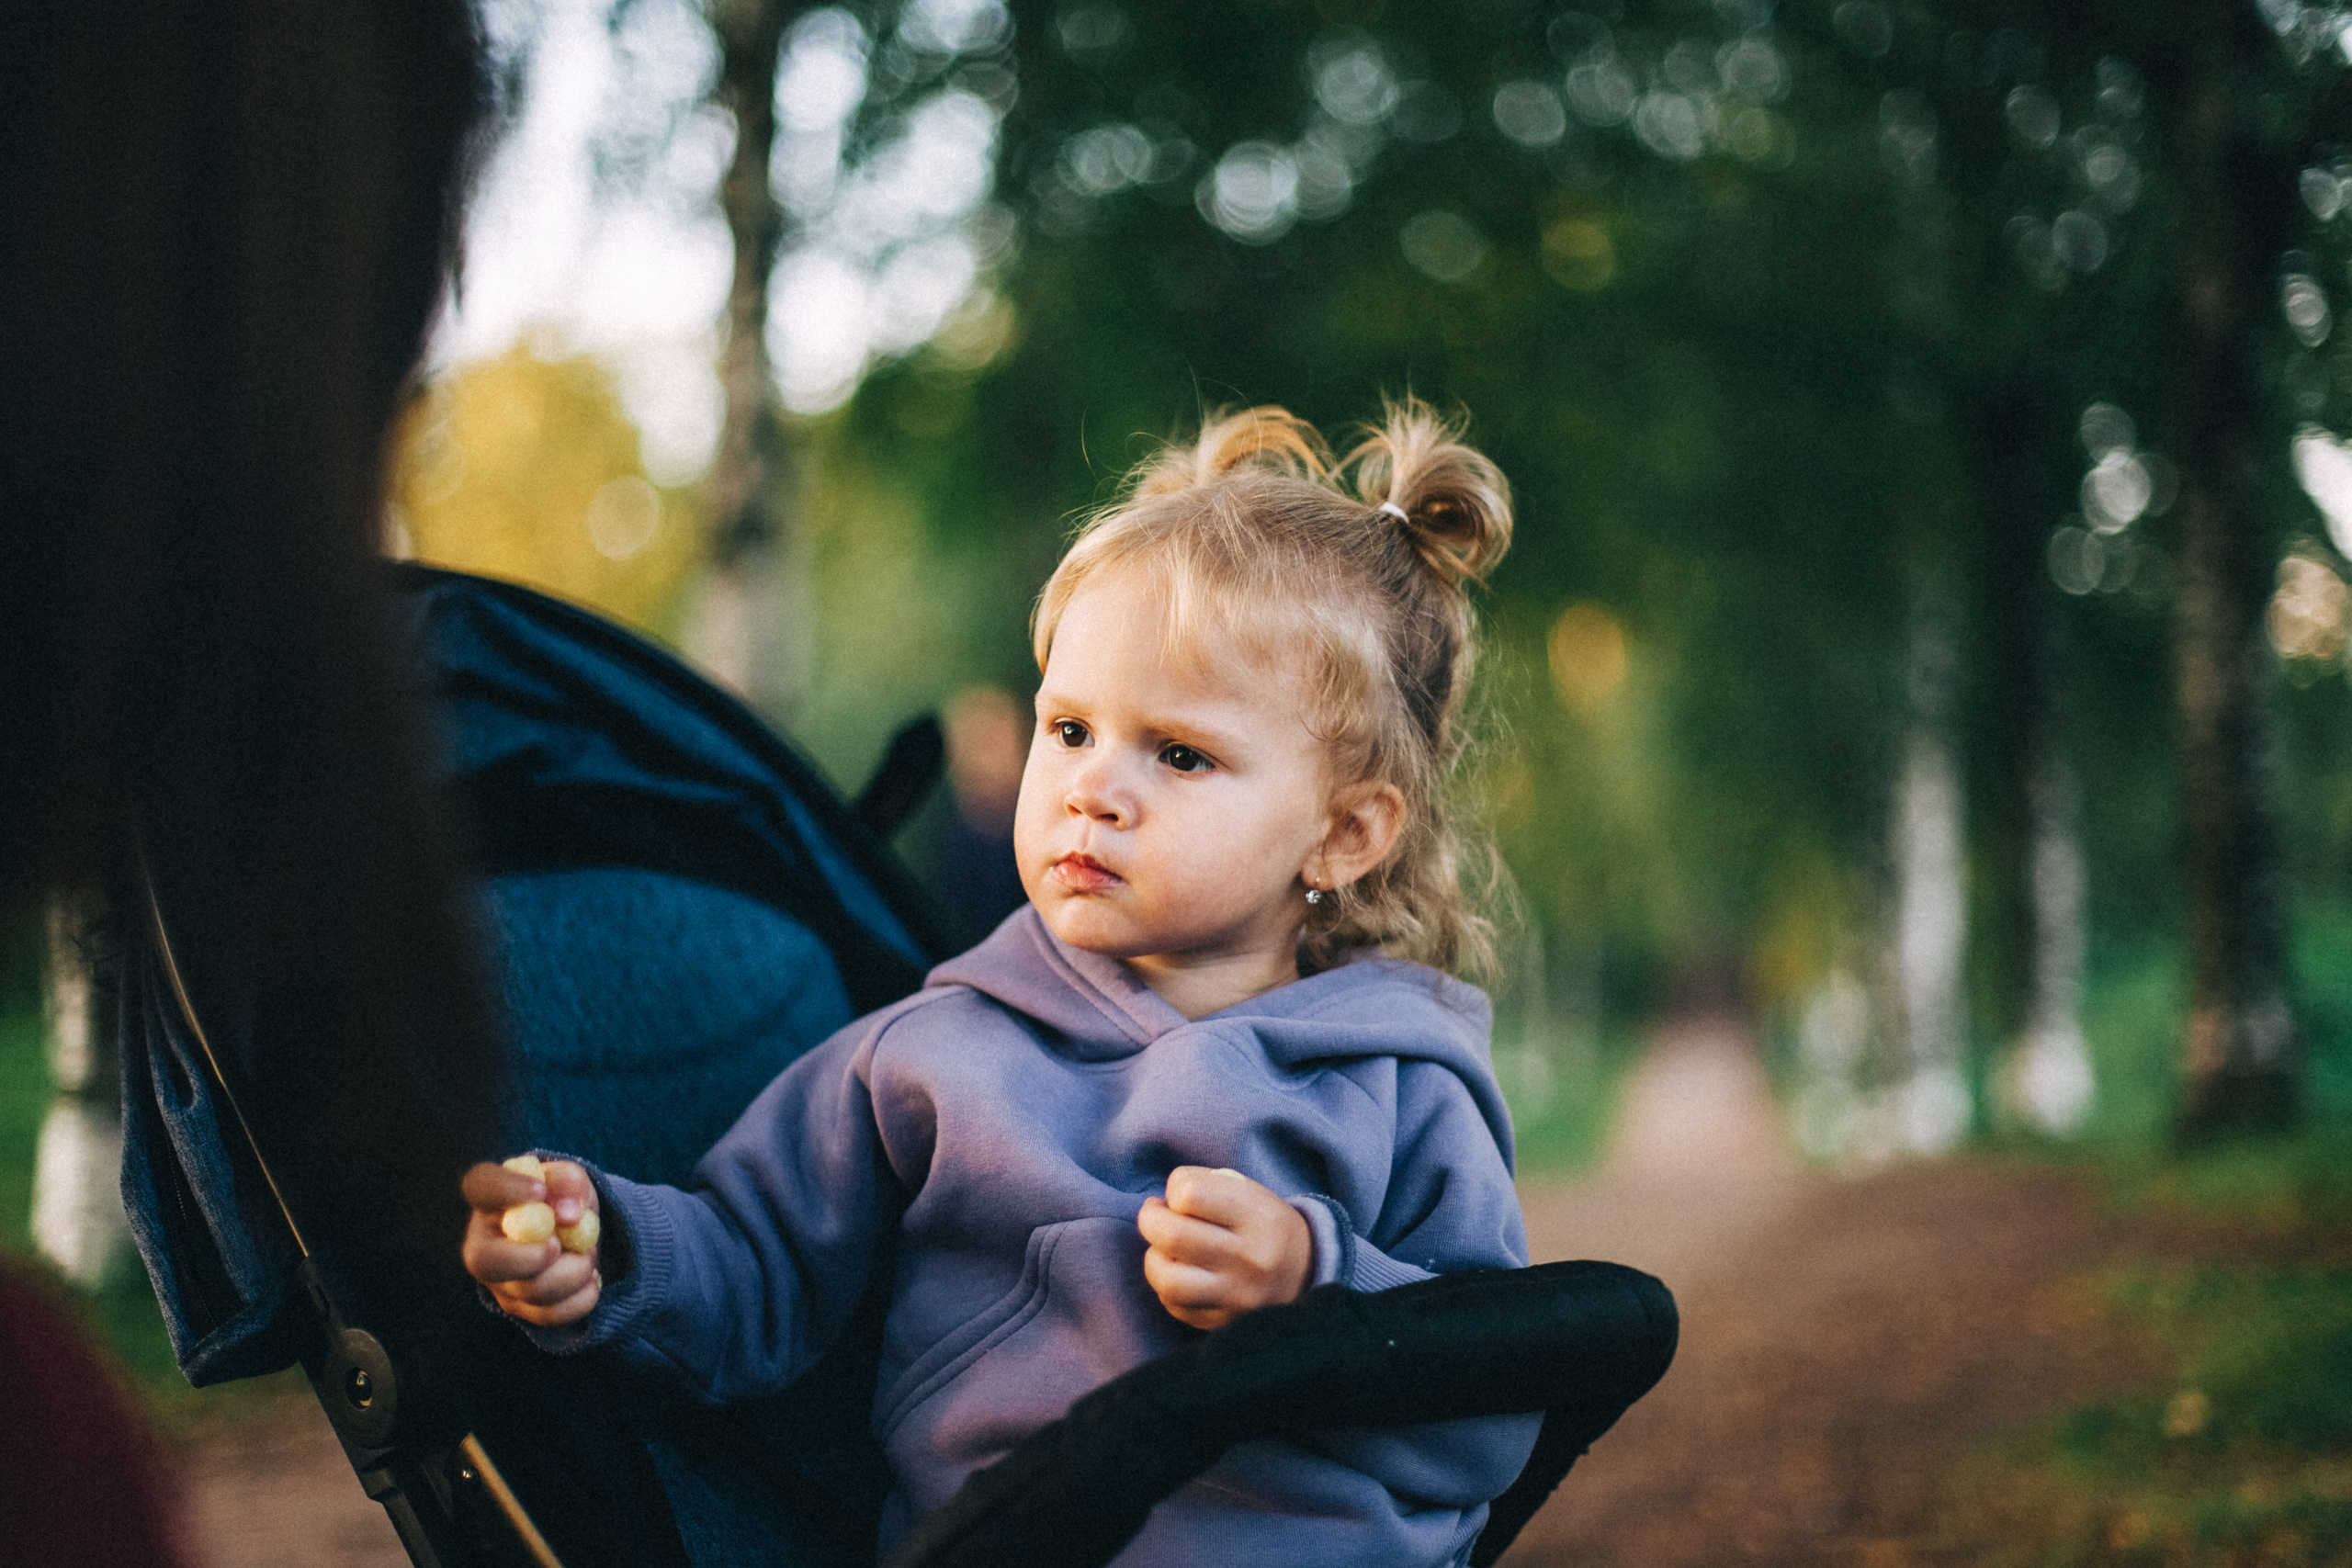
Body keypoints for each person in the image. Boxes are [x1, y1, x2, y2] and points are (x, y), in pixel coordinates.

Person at [463, 401, 1536, 1567]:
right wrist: (605, 1249)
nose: (1093, 788)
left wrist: (1313, 1286)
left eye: (1178, 753)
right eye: (1069, 729)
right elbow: (754, 1264)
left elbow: (1493, 1404)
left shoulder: (1399, 1084)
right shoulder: (933, 1053)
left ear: (1342, 834)